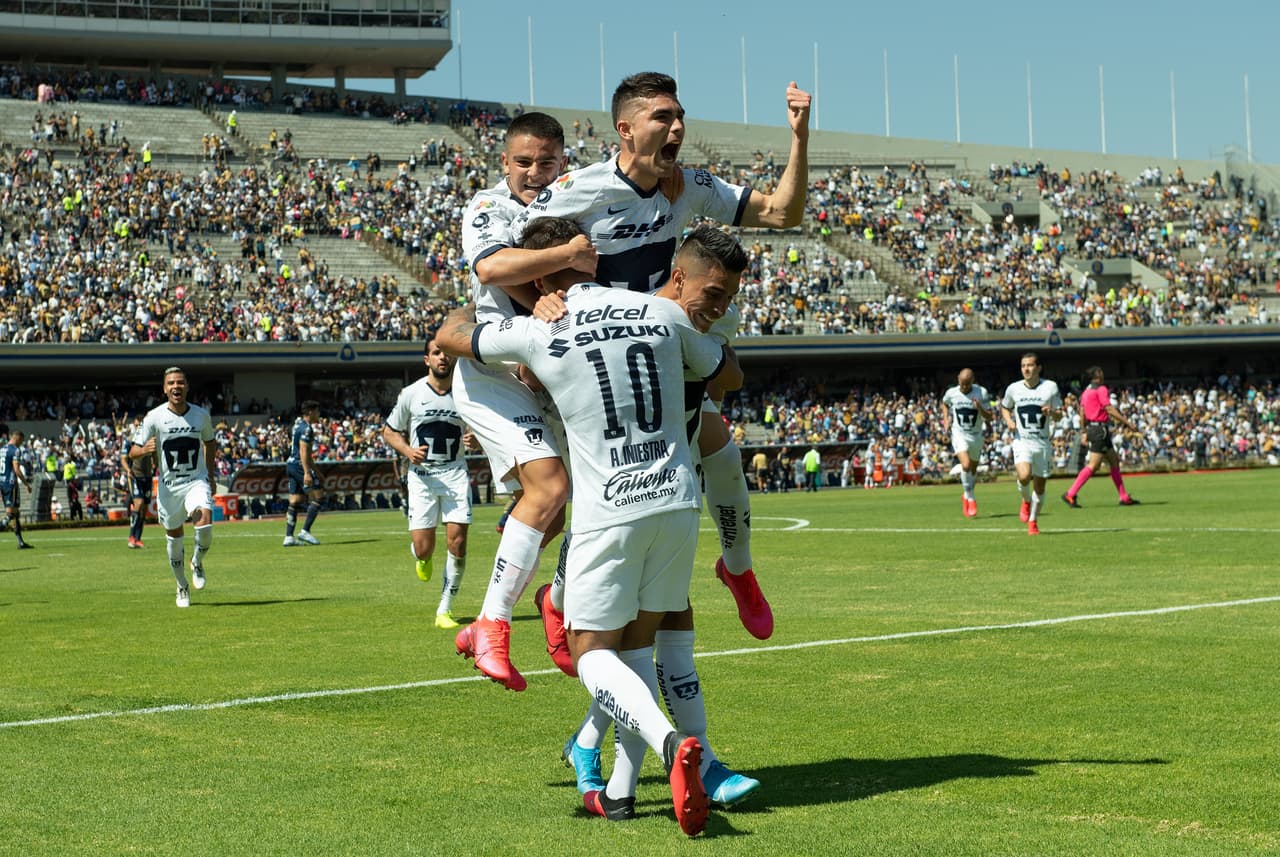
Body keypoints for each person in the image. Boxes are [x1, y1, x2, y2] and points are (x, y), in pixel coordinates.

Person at [435, 216, 741, 837]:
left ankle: (673, 746)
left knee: (593, 654)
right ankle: (621, 792)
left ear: (537, 276)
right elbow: (725, 370)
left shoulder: (536, 329)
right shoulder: (659, 310)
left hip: (609, 509)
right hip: (678, 502)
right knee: (638, 649)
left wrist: (502, 306)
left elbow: (452, 335)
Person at [524, 71, 807, 639]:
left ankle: (738, 569)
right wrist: (538, 302)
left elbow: (783, 213)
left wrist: (799, 136)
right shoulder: (580, 189)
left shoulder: (692, 185)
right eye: (663, 117)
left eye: (680, 118)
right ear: (626, 129)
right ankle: (557, 598)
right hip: (604, 366)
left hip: (663, 347)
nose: (677, 127)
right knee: (611, 494)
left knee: (721, 455)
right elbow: (513, 253)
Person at [542, 226, 762, 809]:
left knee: (650, 644)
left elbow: (729, 380)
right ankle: (695, 760)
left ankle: (613, 772)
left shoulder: (693, 323)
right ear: (679, 276)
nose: (721, 308)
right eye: (713, 295)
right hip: (610, 503)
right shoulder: (641, 317)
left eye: (729, 298)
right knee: (626, 646)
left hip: (663, 500)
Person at [450, 111, 593, 690]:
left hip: (554, 371)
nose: (535, 173)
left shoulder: (580, 201)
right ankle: (493, 623)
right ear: (505, 162)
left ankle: (554, 598)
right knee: (551, 488)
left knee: (585, 503)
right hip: (495, 371)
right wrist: (564, 260)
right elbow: (492, 266)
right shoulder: (489, 206)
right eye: (524, 162)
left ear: (563, 162)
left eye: (547, 163)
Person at [382, 332, 472, 630]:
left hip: (455, 474)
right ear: (427, 359)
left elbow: (483, 429)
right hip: (422, 478)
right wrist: (408, 451)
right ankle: (421, 556)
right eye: (436, 352)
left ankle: (445, 609)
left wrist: (477, 439)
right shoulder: (411, 393)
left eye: (447, 352)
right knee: (424, 547)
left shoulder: (467, 392)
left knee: (457, 541)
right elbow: (389, 431)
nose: (442, 357)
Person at [130, 367, 219, 607]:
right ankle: (181, 586)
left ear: (187, 386)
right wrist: (144, 450)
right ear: (165, 388)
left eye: (180, 382)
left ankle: (197, 561)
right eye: (171, 383)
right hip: (169, 487)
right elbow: (132, 451)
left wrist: (210, 476)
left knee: (205, 523)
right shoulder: (153, 417)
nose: (176, 386)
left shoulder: (201, 415)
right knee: (174, 539)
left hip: (196, 481)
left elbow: (210, 443)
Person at [1000, 352, 1063, 536]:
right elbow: (1005, 407)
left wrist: (1052, 413)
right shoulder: (1014, 388)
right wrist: (1009, 421)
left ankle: (1033, 521)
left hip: (1042, 443)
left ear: (1038, 368)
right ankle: (1026, 500)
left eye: (1030, 365)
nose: (1026, 369)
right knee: (1024, 475)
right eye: (1023, 366)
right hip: (1022, 441)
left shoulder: (1050, 387)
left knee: (1040, 487)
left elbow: (1059, 415)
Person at [1062, 366, 1141, 508]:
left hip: (1093, 429)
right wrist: (1128, 423)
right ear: (1097, 376)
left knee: (1114, 461)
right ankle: (1070, 493)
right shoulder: (1101, 389)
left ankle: (1124, 497)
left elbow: (1082, 413)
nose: (1103, 375)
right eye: (1101, 372)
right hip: (1100, 430)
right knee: (1093, 465)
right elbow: (1108, 408)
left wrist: (1084, 431)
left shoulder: (1086, 392)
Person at [942, 368, 993, 517]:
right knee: (965, 465)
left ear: (973, 381)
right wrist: (946, 420)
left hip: (976, 435)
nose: (964, 387)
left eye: (967, 384)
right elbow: (944, 404)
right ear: (958, 379)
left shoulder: (981, 392)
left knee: (973, 470)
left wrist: (980, 408)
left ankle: (966, 495)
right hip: (959, 434)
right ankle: (971, 497)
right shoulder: (951, 392)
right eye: (962, 383)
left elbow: (990, 416)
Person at [282, 400, 324, 546]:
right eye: (317, 411)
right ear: (310, 412)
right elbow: (304, 451)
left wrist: (317, 471)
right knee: (318, 496)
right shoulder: (307, 429)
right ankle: (305, 531)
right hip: (300, 466)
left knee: (295, 500)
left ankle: (289, 537)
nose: (319, 414)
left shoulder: (297, 425)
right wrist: (307, 472)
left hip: (291, 465)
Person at [121, 417, 156, 548]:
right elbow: (123, 458)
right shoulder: (129, 440)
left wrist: (155, 464)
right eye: (136, 425)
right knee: (139, 503)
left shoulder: (150, 439)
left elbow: (155, 455)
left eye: (140, 425)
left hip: (148, 476)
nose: (138, 427)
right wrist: (128, 470)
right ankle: (131, 537)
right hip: (135, 476)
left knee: (144, 508)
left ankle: (138, 538)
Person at [0, 429, 35, 549]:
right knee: (11, 515)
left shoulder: (1, 450)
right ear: (17, 438)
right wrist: (26, 484)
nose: (21, 443)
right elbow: (16, 469)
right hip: (11, 484)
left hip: (2, 483)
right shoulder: (15, 450)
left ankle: (20, 542)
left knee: (15, 514)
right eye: (21, 441)